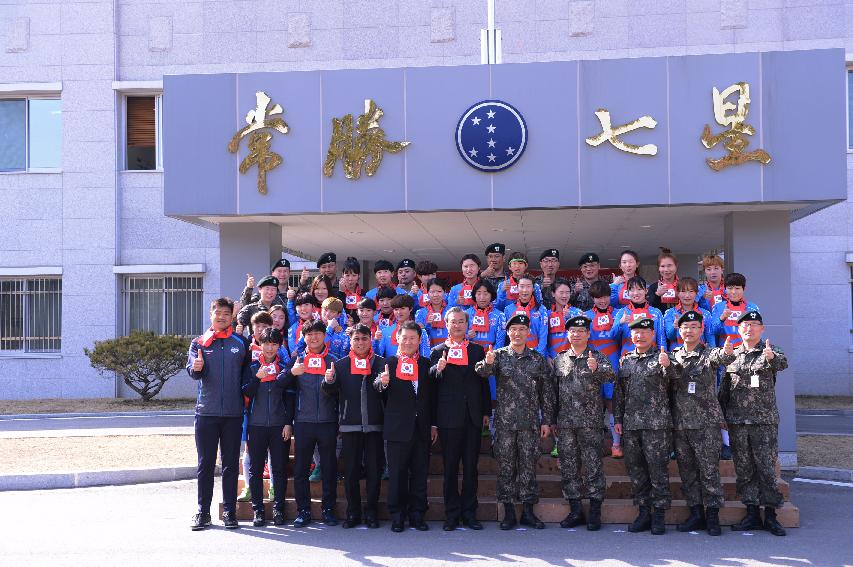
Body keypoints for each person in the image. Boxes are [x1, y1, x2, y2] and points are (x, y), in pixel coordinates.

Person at [475, 314, 555, 531]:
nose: (518, 333)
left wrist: (546, 420)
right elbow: (482, 372)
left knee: (529, 466)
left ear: (528, 333)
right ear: (508, 332)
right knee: (506, 467)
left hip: (530, 422)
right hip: (505, 423)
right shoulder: (499, 356)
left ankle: (528, 512)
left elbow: (546, 392)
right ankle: (509, 512)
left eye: (522, 329)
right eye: (514, 329)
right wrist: (487, 362)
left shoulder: (537, 359)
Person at [718, 311, 788, 536]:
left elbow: (783, 362)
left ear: (762, 328)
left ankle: (770, 515)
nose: (749, 328)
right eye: (745, 325)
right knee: (745, 469)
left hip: (763, 422)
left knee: (766, 469)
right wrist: (722, 415)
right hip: (738, 422)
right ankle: (751, 513)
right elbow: (725, 390)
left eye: (754, 325)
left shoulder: (770, 351)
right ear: (739, 329)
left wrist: (771, 358)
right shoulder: (733, 356)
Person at [187, 297, 252, 531]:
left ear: (231, 316)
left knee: (230, 465)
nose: (222, 316)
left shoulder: (241, 342)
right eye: (218, 312)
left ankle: (230, 513)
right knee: (205, 464)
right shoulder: (199, 343)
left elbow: (248, 377)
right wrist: (196, 368)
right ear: (210, 314)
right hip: (206, 412)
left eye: (226, 313)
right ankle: (202, 512)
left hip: (234, 414)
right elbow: (192, 371)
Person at [669, 310, 734, 536]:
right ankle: (696, 513)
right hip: (681, 424)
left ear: (701, 329)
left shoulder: (708, 353)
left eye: (694, 327)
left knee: (709, 471)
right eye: (685, 327)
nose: (689, 330)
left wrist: (727, 352)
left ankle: (713, 515)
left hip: (706, 424)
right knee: (687, 472)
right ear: (679, 330)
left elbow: (723, 358)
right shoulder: (673, 355)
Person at [551, 315, 615, 531]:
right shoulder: (560, 359)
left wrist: (596, 368)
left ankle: (595, 511)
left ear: (588, 334)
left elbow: (610, 377)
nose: (576, 334)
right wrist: (551, 419)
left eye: (581, 331)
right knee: (569, 467)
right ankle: (575, 510)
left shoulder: (598, 357)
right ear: (567, 334)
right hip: (566, 423)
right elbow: (554, 392)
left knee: (593, 466)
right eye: (572, 331)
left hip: (590, 422)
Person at [429, 307, 490, 531]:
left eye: (461, 322)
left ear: (467, 325)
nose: (457, 325)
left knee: (471, 468)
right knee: (451, 468)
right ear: (446, 324)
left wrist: (485, 412)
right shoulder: (437, 351)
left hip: (472, 416)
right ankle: (451, 514)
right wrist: (438, 368)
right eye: (453, 322)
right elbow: (432, 387)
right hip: (448, 418)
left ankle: (469, 513)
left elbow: (482, 383)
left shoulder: (476, 350)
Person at [613, 317, 675, 535]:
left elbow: (673, 385)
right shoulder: (626, 361)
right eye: (635, 332)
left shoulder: (662, 358)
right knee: (637, 470)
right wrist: (618, 419)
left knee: (657, 470)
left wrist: (667, 367)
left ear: (652, 334)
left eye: (644, 332)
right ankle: (643, 512)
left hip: (656, 426)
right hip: (631, 426)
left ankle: (659, 514)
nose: (639, 336)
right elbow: (619, 394)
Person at [374, 321, 436, 532]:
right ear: (397, 339)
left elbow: (431, 399)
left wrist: (433, 425)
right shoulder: (388, 363)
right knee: (398, 474)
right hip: (397, 428)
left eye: (413, 338)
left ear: (419, 341)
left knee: (420, 473)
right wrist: (383, 382)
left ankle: (418, 514)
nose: (409, 342)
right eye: (405, 338)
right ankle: (397, 515)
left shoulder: (426, 364)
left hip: (422, 428)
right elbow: (377, 387)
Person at [322, 323, 385, 529]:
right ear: (351, 341)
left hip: (375, 426)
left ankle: (372, 512)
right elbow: (330, 392)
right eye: (356, 339)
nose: (360, 343)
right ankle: (353, 513)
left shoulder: (381, 364)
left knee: (374, 472)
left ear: (370, 341)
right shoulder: (340, 365)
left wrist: (385, 382)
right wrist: (329, 381)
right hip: (350, 427)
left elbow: (387, 393)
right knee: (350, 473)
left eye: (364, 339)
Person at [281, 320, 340, 528]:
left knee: (329, 468)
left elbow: (339, 393)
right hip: (303, 421)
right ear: (304, 337)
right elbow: (281, 385)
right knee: (300, 469)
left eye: (318, 333)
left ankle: (328, 509)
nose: (314, 337)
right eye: (309, 334)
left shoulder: (333, 360)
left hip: (328, 422)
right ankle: (303, 511)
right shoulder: (298, 359)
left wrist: (331, 382)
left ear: (325, 336)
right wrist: (291, 373)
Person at [242, 328, 294, 527]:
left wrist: (288, 423)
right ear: (259, 344)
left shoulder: (284, 367)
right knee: (255, 469)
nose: (270, 347)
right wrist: (257, 377)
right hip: (256, 425)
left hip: (279, 426)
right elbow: (246, 392)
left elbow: (290, 397)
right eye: (266, 343)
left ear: (279, 346)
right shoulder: (252, 366)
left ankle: (279, 509)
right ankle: (258, 510)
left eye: (274, 344)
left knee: (279, 468)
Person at [585, 280, 621, 458]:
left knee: (612, 403)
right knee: (594, 404)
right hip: (593, 363)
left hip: (613, 362)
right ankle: (594, 445)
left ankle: (616, 444)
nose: (602, 300)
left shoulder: (618, 313)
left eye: (605, 296)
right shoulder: (586, 316)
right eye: (598, 297)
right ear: (592, 298)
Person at [609, 276, 666, 357]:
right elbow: (612, 337)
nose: (636, 293)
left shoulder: (656, 312)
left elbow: (661, 338)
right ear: (628, 293)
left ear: (646, 291)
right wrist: (620, 323)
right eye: (632, 290)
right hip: (628, 359)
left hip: (652, 358)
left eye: (639, 289)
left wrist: (663, 355)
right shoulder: (622, 312)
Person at [662, 277, 716, 350]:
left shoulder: (705, 314)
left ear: (696, 293)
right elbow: (669, 336)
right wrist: (674, 327)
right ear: (677, 293)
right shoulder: (670, 313)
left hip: (700, 355)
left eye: (691, 291)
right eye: (683, 291)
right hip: (677, 356)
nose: (687, 295)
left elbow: (710, 338)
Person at [502, 274, 548, 356]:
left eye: (528, 286)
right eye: (522, 286)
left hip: (536, 354)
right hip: (514, 355)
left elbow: (543, 335)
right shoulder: (508, 309)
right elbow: (506, 335)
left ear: (533, 288)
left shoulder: (542, 309)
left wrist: (539, 355)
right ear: (517, 287)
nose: (525, 290)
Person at [710, 272, 760, 349]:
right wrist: (722, 318)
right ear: (725, 288)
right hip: (725, 354)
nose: (733, 292)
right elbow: (712, 332)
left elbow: (757, 332)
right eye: (730, 288)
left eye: (737, 288)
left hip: (747, 354)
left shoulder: (752, 308)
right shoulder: (718, 307)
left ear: (744, 289)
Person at [375, 294, 431, 358]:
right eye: (396, 309)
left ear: (410, 309)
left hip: (415, 367)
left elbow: (426, 357)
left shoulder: (421, 331)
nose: (399, 312)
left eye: (402, 308)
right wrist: (376, 341)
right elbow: (378, 356)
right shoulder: (385, 332)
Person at [546, 278, 583, 360]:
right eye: (561, 292)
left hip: (574, 360)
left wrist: (569, 318)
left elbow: (584, 336)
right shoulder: (547, 314)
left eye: (567, 292)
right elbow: (543, 338)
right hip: (553, 360)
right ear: (553, 293)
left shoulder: (578, 313)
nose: (564, 296)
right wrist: (547, 356)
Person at [415, 277, 450, 347]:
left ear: (445, 292)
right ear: (427, 293)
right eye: (432, 292)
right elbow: (419, 336)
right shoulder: (420, 313)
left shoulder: (451, 311)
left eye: (439, 291)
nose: (435, 295)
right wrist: (428, 324)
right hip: (428, 351)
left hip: (449, 349)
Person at [647, 248, 679, 312]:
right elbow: (649, 309)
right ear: (658, 268)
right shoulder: (653, 287)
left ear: (676, 266)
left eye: (669, 266)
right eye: (662, 266)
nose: (666, 270)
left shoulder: (683, 285)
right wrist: (657, 295)